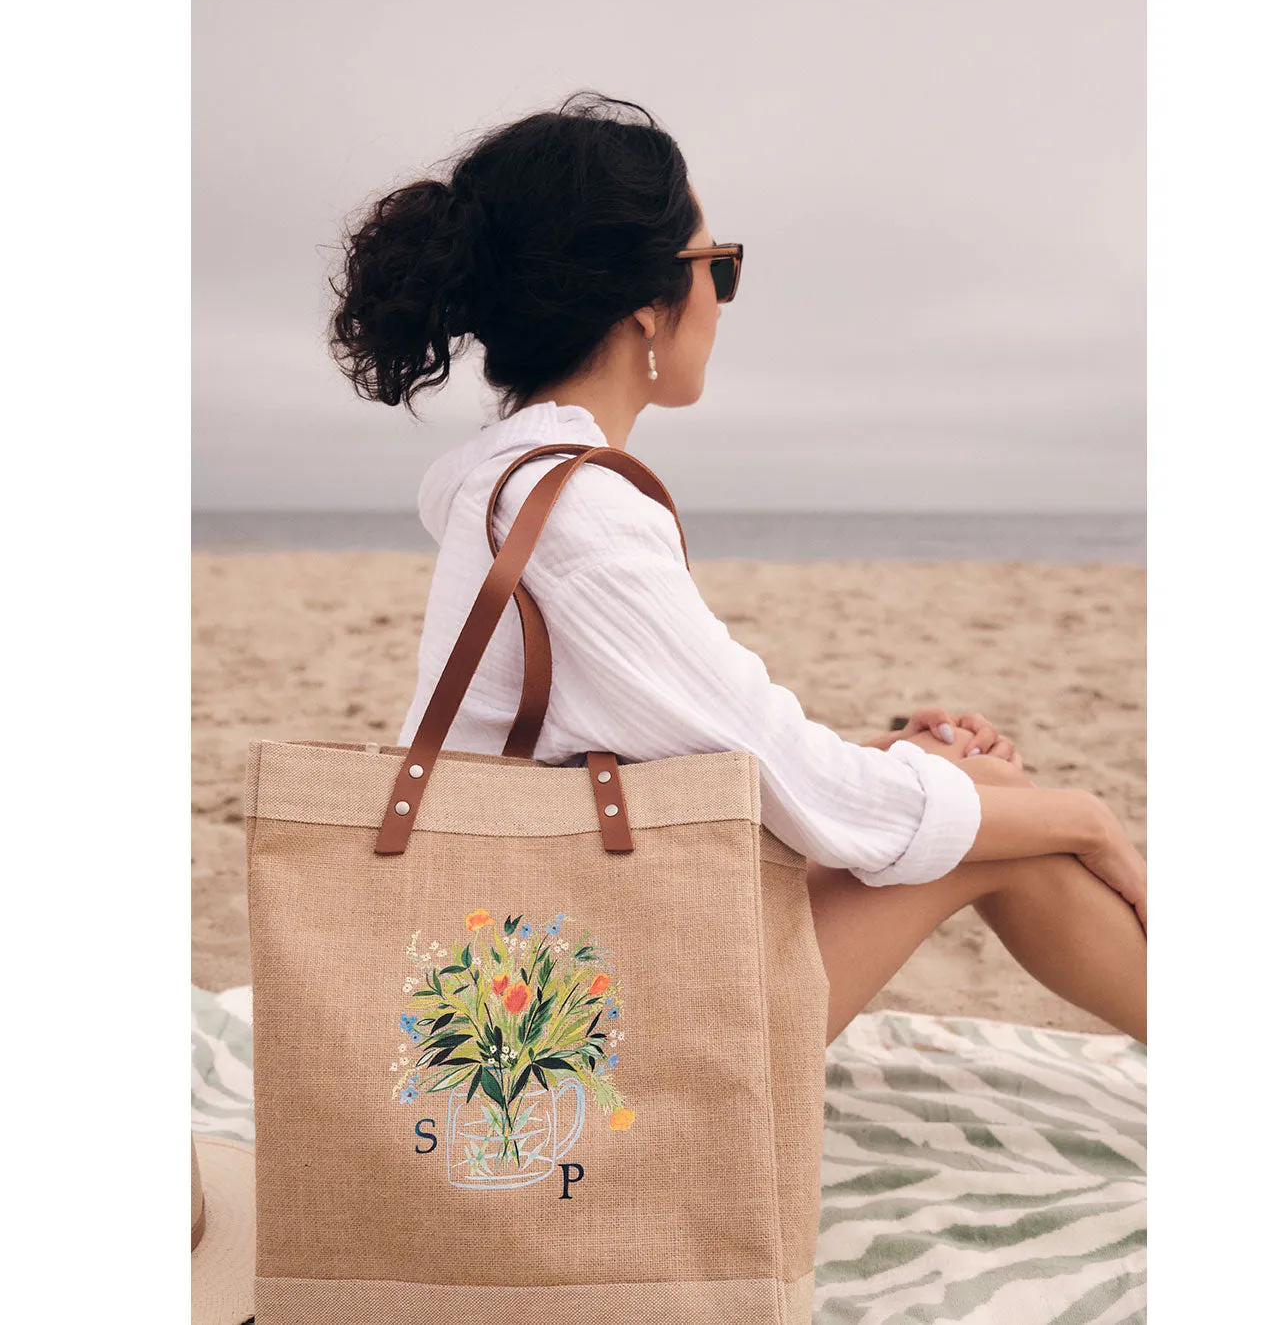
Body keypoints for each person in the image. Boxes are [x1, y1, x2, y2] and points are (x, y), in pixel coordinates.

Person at [327, 90, 1146, 1048]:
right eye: (717, 266)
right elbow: (813, 798)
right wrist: (1087, 817)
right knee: (1012, 835)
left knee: (971, 799)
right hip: (583, 1032)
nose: (721, 294)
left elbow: (702, 761)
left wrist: (903, 760)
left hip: (551, 944)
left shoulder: (514, 487)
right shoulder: (577, 515)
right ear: (646, 308)